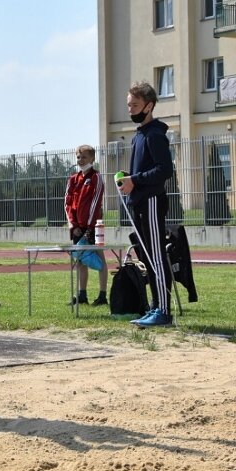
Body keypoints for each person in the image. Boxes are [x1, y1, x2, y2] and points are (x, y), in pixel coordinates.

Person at [118, 81, 174, 327]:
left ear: (149, 106)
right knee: (148, 257)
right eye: (129, 106)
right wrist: (128, 178)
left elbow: (164, 170)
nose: (131, 110)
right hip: (139, 202)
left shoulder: (155, 135)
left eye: (136, 105)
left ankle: (163, 310)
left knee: (157, 257)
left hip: (151, 202)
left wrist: (135, 180)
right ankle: (154, 306)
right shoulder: (139, 135)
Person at [65, 145, 109, 306]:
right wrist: (73, 224)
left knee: (99, 258)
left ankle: (103, 295)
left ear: (92, 158)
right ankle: (82, 295)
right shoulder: (73, 179)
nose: (80, 160)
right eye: (78, 157)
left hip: (94, 226)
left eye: (84, 157)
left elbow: (95, 203)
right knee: (80, 260)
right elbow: (68, 203)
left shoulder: (96, 177)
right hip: (77, 227)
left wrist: (90, 227)